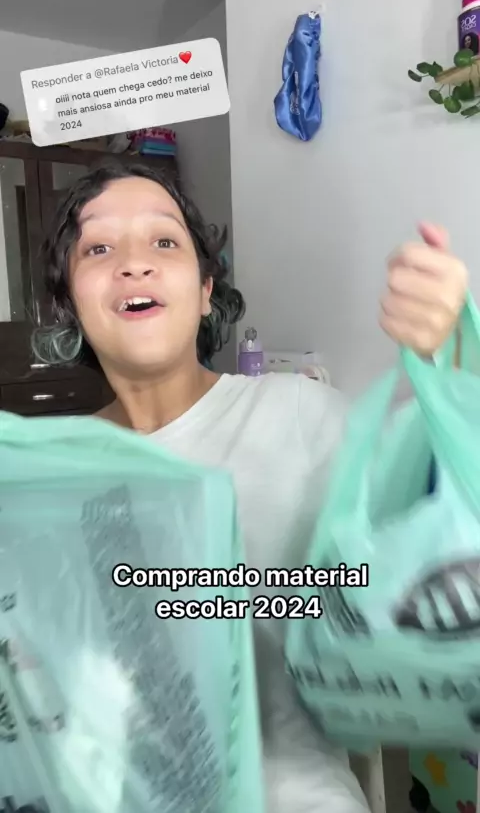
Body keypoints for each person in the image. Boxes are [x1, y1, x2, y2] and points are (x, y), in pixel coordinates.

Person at [33, 162, 468, 813]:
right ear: (69, 300)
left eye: (164, 241)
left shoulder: (300, 417)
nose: (134, 264)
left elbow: (445, 538)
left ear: (206, 291)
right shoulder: (42, 472)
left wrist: (453, 362)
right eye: (98, 249)